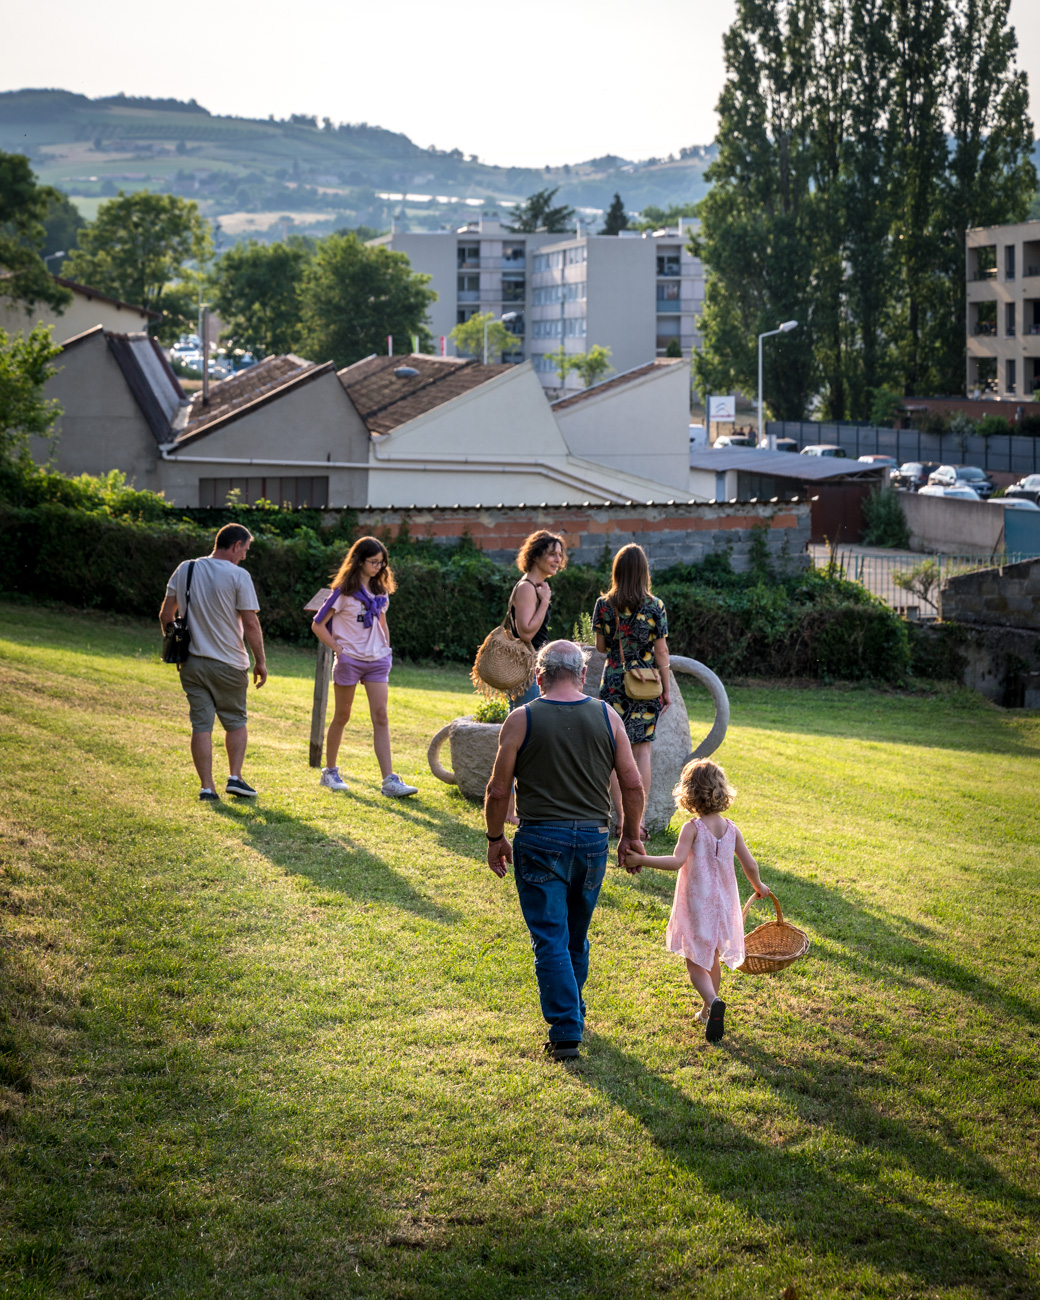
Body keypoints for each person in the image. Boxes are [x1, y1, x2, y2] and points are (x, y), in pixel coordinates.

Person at [484, 640, 645, 1060]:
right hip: (592, 841)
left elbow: (498, 790)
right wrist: (630, 834)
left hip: (540, 839)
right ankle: (574, 1012)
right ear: (581, 675)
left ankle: (566, 1030)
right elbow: (632, 784)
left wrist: (495, 838)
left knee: (550, 936)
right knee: (575, 934)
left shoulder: (522, 718)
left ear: (538, 676)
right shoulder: (608, 716)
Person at [624, 758, 770, 1044]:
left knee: (694, 962)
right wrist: (759, 886)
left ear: (689, 793)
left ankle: (713, 1002)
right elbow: (750, 864)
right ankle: (707, 1010)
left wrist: (642, 858)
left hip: (698, 906)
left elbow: (676, 861)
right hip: (723, 906)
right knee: (711, 957)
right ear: (720, 790)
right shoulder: (731, 829)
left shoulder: (692, 828)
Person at [159, 523, 267, 802]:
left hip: (192, 663)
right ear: (236, 545)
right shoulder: (239, 575)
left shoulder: (185, 569)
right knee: (236, 722)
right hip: (229, 663)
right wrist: (260, 661)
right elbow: (251, 624)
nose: (245, 556)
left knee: (201, 725)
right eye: (245, 549)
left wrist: (176, 647)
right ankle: (235, 778)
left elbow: (166, 615)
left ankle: (207, 787)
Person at [310, 536, 418, 799]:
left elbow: (382, 623)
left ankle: (389, 781)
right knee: (342, 715)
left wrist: (386, 648)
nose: (379, 568)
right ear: (359, 561)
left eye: (382, 563)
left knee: (381, 716)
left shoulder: (381, 592)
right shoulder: (343, 592)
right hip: (350, 661)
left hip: (377, 662)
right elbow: (317, 624)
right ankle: (330, 772)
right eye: (374, 562)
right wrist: (339, 650)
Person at [592, 543, 671, 834]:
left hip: (614, 683)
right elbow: (661, 652)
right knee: (642, 753)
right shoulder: (655, 605)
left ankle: (621, 820)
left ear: (617, 571)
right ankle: (638, 822)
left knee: (616, 753)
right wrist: (667, 689)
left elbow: (601, 648)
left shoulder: (603, 605)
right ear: (643, 572)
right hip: (646, 685)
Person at [501, 530, 565, 824]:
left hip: (531, 668)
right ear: (536, 554)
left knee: (525, 737)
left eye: (560, 554)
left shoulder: (537, 586)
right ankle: (509, 809)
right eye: (552, 553)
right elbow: (526, 632)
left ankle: (515, 807)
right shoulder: (528, 588)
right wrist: (544, 601)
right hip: (525, 670)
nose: (557, 559)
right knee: (521, 739)